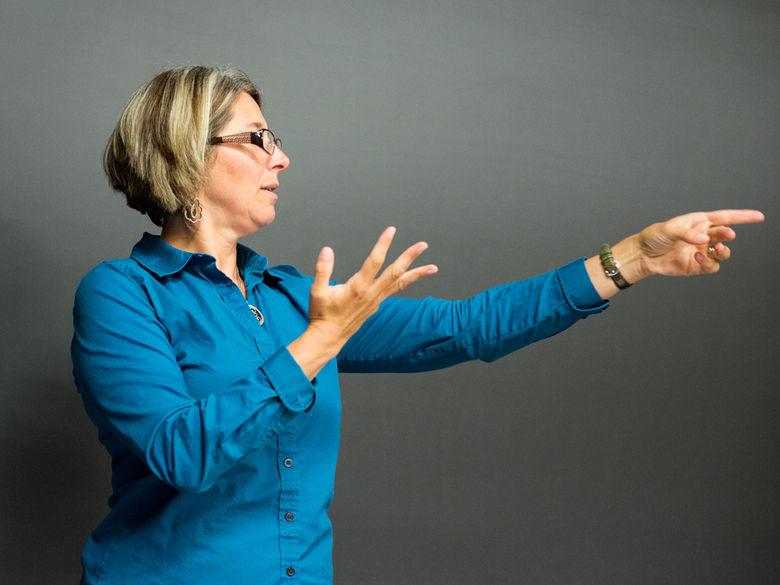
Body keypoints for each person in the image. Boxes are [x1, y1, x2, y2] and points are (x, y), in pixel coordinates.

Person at [71, 65, 764, 585]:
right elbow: (181, 454)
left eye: (275, 139)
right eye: (257, 139)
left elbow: (468, 326)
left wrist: (634, 258)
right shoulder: (122, 295)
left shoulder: (287, 296)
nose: (281, 157)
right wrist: (319, 341)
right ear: (188, 152)